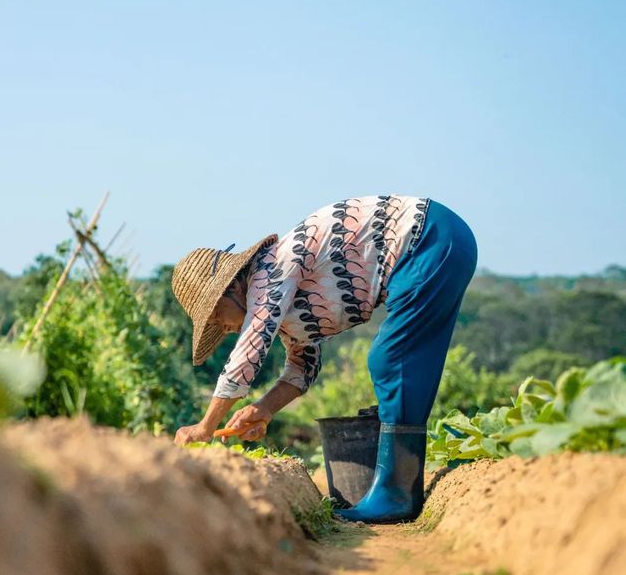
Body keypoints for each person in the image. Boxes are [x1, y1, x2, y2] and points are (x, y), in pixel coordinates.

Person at [171, 194, 477, 523]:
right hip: (435, 244)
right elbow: (304, 367)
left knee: (390, 359)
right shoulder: (281, 304)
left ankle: (396, 493)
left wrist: (205, 427)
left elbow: (248, 351)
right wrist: (264, 409)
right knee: (399, 358)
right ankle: (396, 487)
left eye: (217, 317)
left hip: (427, 238)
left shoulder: (270, 272)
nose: (224, 328)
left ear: (231, 288)